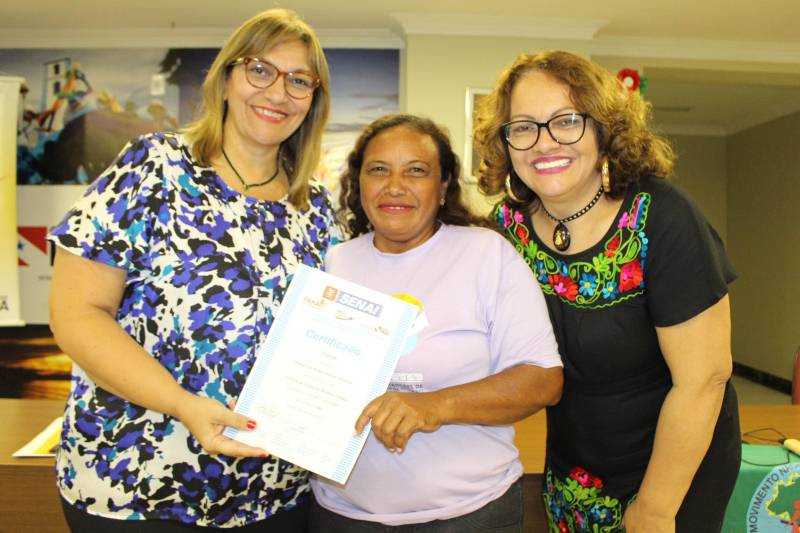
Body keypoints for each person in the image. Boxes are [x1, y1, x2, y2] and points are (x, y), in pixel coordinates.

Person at [47, 8, 337, 531]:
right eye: (260, 69)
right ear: (226, 77)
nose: (278, 92)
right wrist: (183, 405)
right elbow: (76, 314)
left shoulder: (317, 208)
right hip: (134, 486)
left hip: (269, 497)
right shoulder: (152, 168)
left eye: (300, 80)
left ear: (314, 100)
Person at [473, 50, 741, 533]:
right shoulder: (506, 231)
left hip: (675, 472)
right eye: (524, 127)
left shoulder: (660, 217)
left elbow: (704, 379)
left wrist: (655, 509)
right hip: (576, 468)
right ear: (506, 142)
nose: (544, 142)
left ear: (603, 129)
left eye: (566, 121)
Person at [309, 113, 564, 532]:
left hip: (469, 515)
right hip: (341, 513)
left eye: (416, 171)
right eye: (378, 170)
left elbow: (543, 379)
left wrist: (433, 406)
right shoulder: (335, 262)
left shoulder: (486, 255)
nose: (395, 186)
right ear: (359, 184)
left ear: (443, 185)